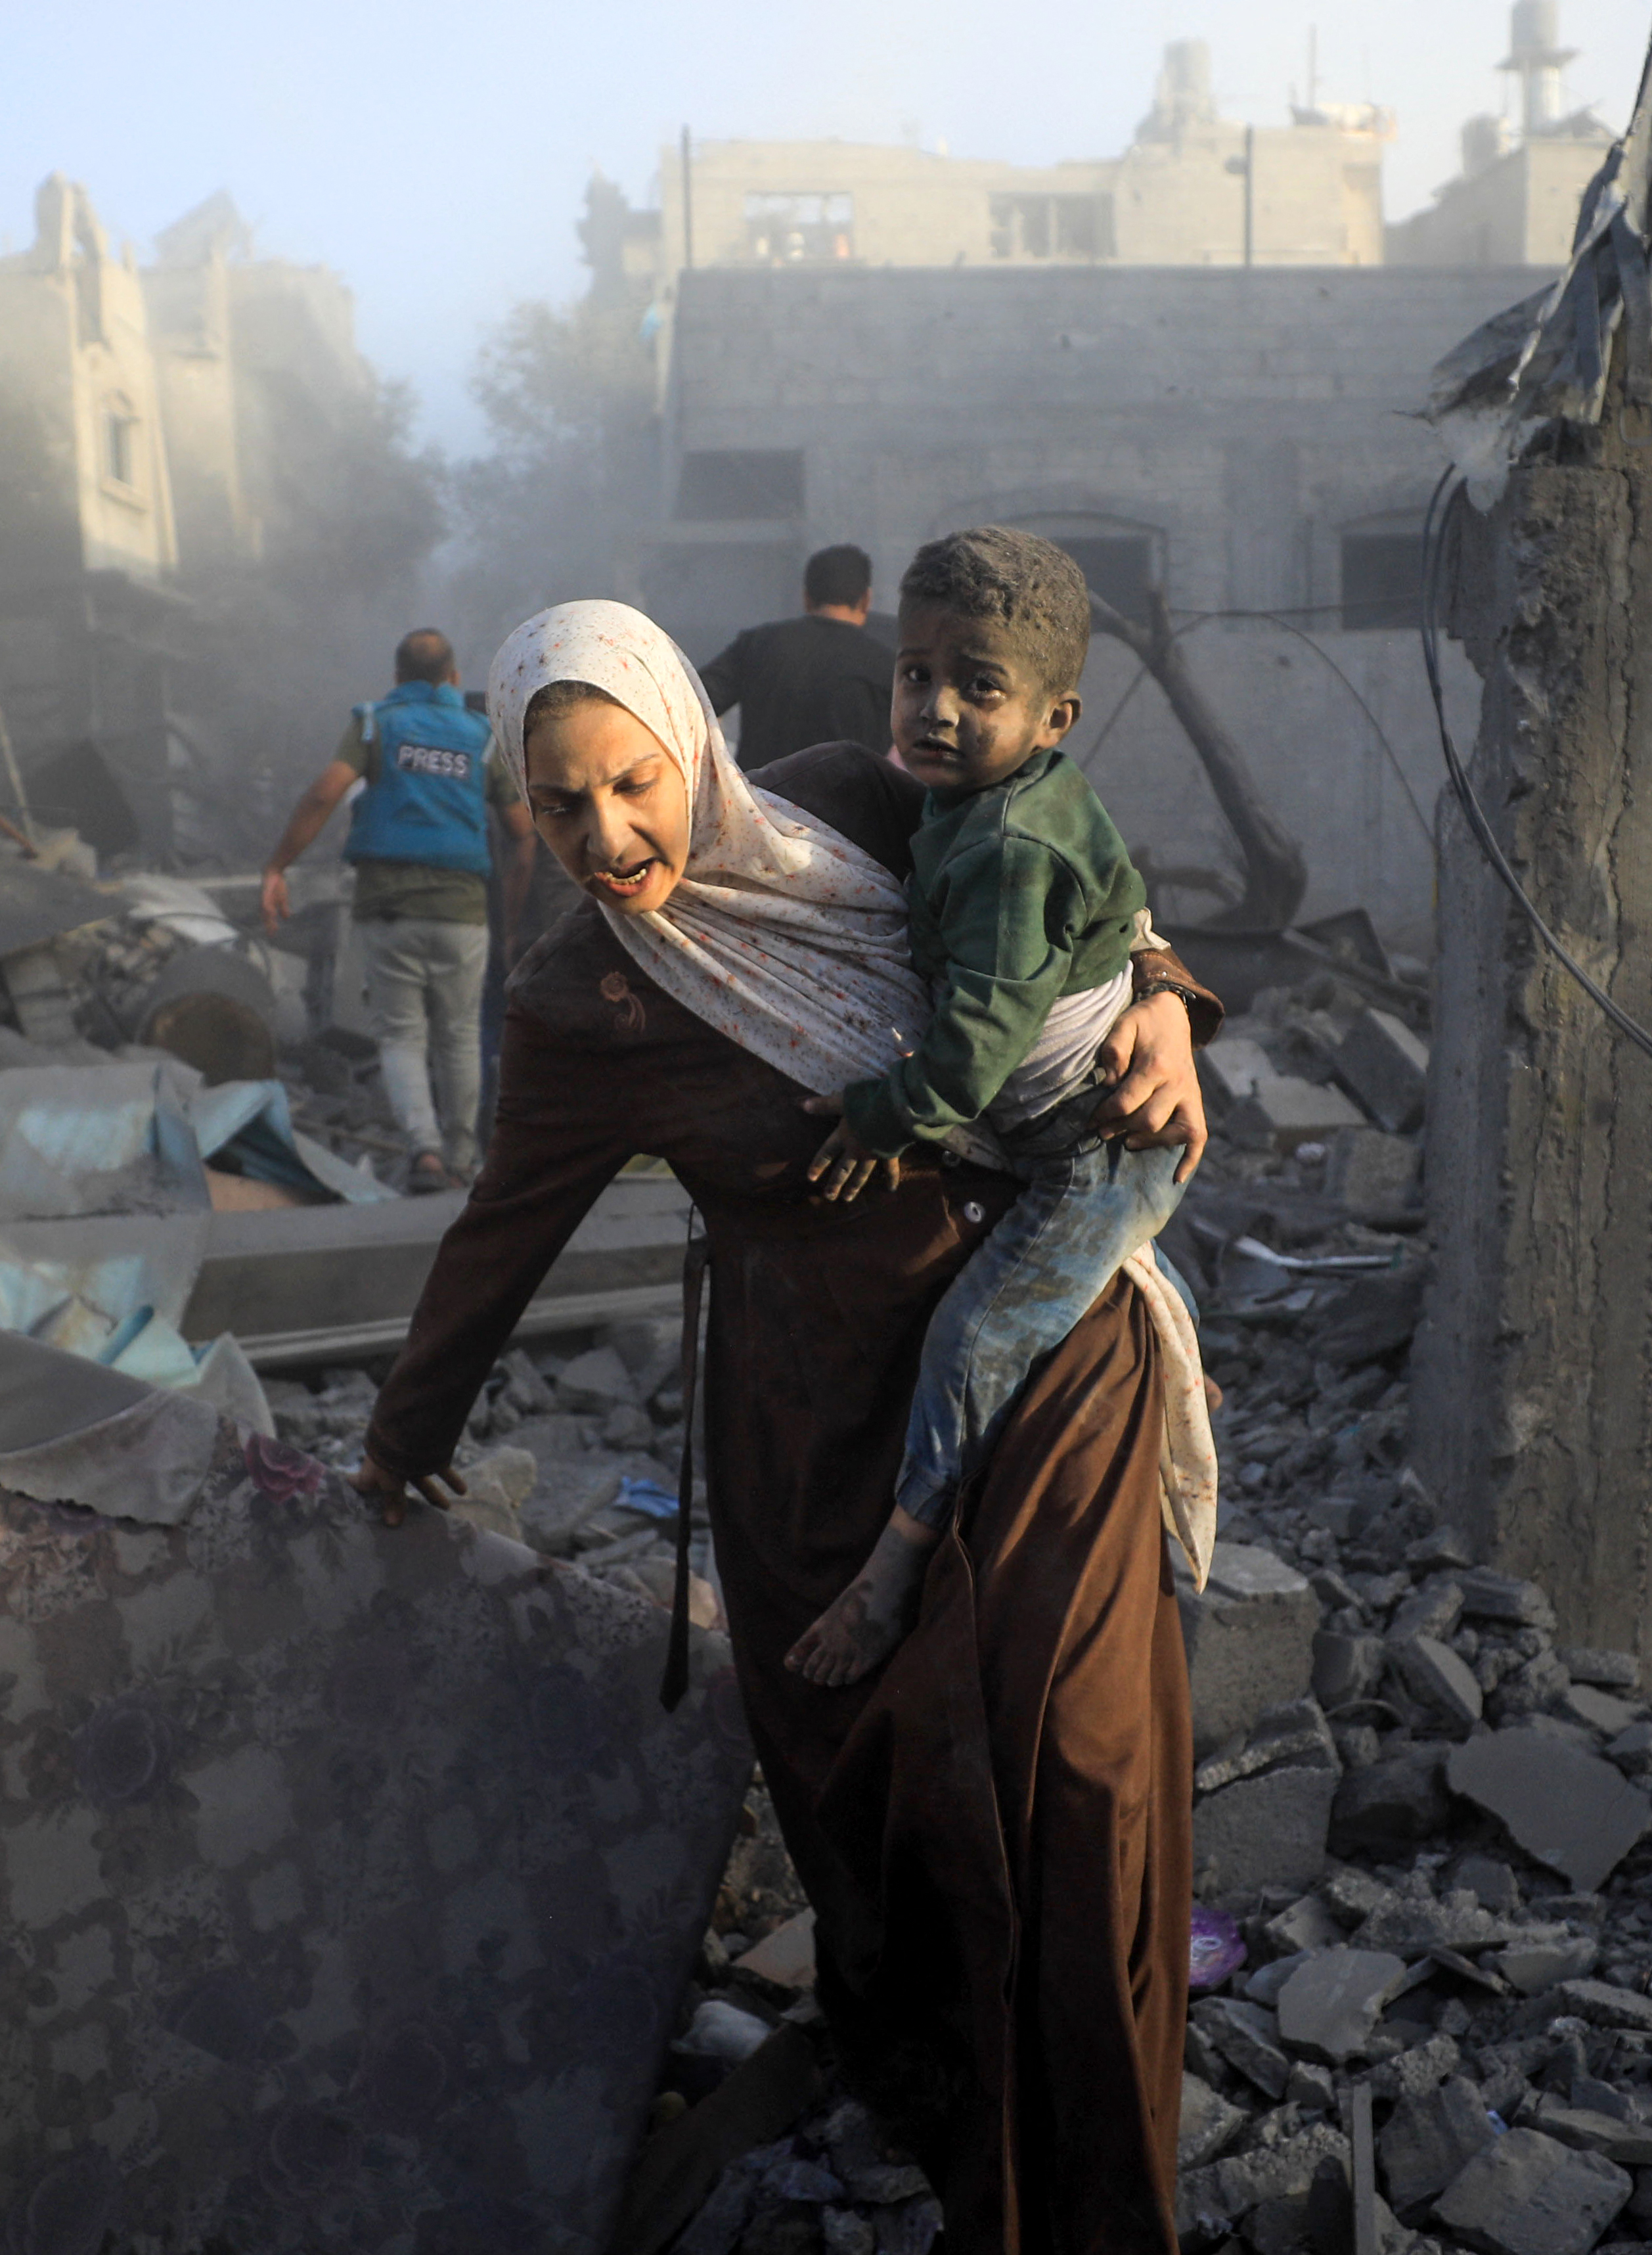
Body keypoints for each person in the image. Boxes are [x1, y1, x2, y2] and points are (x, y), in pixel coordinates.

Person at [358, 600, 1218, 2253]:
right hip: (819, 1425)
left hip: (1047, 1356)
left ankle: (1103, 2198)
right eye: (560, 805)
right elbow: (500, 1232)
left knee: (1083, 1766)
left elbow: (1067, 869)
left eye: (633, 784)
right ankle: (934, 2115)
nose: (608, 837)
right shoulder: (579, 1001)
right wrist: (399, 1446)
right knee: (901, 1805)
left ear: (691, 744)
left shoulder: (850, 801)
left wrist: (1170, 995)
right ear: (519, 806)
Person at [791, 526, 1195, 1687]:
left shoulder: (1012, 850)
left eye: (980, 688)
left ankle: (893, 1570)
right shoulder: (982, 800)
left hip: (1089, 1151)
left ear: (1054, 719)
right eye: (916, 673)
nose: (936, 709)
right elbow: (1121, 902)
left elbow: (969, 1060)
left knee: (969, 1342)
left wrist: (879, 1115)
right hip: (1069, 1124)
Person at [259, 628, 534, 1193]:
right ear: (454, 679)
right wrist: (509, 918)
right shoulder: (482, 736)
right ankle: (464, 1160)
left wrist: (277, 867)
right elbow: (522, 834)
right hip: (462, 913)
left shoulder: (375, 725)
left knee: (402, 1036)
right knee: (459, 1036)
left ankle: (425, 1153)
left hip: (388, 909)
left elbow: (325, 792)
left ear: (396, 678)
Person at [699, 543, 893, 771]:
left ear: (806, 597)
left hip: (760, 791)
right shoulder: (886, 665)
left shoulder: (757, 645)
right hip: (850, 792)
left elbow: (692, 700)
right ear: (866, 600)